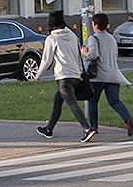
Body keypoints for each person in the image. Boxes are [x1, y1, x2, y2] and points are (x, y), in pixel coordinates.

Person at [34, 10, 95, 142]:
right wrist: (79, 72)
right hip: (75, 75)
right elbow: (78, 54)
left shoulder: (52, 38)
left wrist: (38, 74)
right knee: (58, 100)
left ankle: (87, 129)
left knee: (72, 103)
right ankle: (49, 129)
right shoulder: (72, 35)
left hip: (63, 76)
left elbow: (46, 60)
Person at [82, 12, 133, 137]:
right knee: (114, 101)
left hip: (99, 76)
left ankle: (94, 127)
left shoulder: (93, 38)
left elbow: (94, 55)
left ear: (95, 25)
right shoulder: (111, 38)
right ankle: (127, 119)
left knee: (92, 101)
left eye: (93, 24)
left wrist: (85, 52)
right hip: (113, 75)